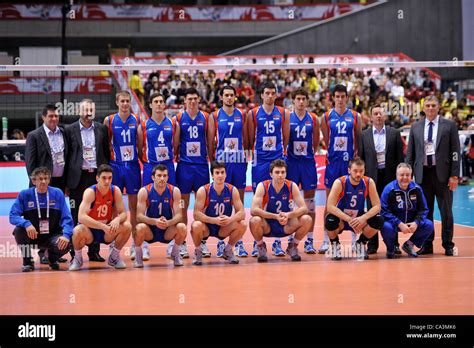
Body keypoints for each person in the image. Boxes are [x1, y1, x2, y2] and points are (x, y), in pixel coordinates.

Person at [406, 95, 461, 256]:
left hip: (443, 175)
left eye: (433, 105)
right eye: (428, 105)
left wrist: (454, 175)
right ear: (423, 108)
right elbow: (410, 153)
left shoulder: (449, 125)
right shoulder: (416, 126)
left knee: (446, 212)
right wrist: (408, 174)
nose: (430, 108)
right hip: (423, 175)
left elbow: (455, 152)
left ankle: (448, 244)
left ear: (438, 108)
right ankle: (427, 244)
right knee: (425, 212)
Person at [247, 82, 290, 257]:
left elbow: (285, 136)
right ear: (262, 95)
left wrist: (280, 154)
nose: (270, 96)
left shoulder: (283, 112)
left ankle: (278, 242)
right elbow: (250, 138)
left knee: (279, 198)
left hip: (277, 158)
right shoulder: (254, 113)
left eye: (273, 93)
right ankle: (259, 243)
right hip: (260, 160)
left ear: (276, 94)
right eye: (267, 93)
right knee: (260, 200)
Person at [318, 84, 362, 254]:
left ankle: (354, 238)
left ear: (347, 97)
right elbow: (327, 139)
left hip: (349, 164)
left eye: (343, 96)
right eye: (337, 96)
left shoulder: (356, 116)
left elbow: (358, 139)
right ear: (333, 98)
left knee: (354, 201)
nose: (340, 99)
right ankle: (325, 239)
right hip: (333, 164)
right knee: (330, 202)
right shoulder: (326, 116)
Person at [65, 98, 110, 262]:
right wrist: (66, 183)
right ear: (79, 111)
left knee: (96, 214)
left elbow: (106, 153)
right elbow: (67, 156)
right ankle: (74, 252)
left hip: (95, 177)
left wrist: (104, 177)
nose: (88, 112)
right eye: (85, 109)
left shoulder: (102, 129)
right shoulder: (69, 130)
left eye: (91, 109)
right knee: (75, 214)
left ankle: (94, 251)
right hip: (78, 178)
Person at [207, 85, 249, 258]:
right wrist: (213, 160)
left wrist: (246, 158)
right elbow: (210, 141)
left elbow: (247, 139)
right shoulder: (215, 116)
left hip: (239, 160)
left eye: (232, 95)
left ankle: (238, 242)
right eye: (226, 95)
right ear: (221, 97)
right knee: (221, 201)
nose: (229, 98)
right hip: (222, 162)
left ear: (235, 97)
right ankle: (220, 242)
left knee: (237, 200)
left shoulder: (242, 115)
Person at [25, 104, 69, 265]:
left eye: (56, 116)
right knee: (40, 218)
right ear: (43, 117)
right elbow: (30, 164)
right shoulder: (34, 135)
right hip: (42, 184)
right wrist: (37, 184)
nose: (54, 119)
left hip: (58, 181)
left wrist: (66, 183)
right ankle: (40, 253)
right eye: (50, 116)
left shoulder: (63, 132)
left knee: (55, 219)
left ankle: (53, 251)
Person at [104, 91, 145, 260]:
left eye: (128, 101)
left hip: (133, 166)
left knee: (134, 207)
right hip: (116, 166)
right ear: (117, 102)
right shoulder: (110, 120)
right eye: (122, 101)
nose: (125, 104)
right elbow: (106, 142)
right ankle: (115, 242)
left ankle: (136, 245)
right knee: (115, 208)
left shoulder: (136, 120)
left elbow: (141, 143)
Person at [358, 104, 404, 254]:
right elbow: (361, 159)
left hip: (390, 176)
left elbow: (400, 158)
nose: (378, 116)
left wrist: (400, 178)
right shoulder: (363, 135)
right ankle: (372, 244)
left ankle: (394, 244)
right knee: (372, 210)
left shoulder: (394, 133)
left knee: (393, 210)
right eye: (375, 113)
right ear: (371, 117)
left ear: (384, 116)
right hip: (371, 178)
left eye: (380, 113)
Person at [69, 164, 132, 271]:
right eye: (104, 178)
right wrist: (102, 226)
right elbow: (81, 217)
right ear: (97, 178)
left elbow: (123, 214)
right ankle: (78, 259)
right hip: (90, 230)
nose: (107, 181)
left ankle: (114, 257)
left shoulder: (115, 190)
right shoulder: (90, 192)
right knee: (77, 230)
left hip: (107, 231)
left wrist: (117, 219)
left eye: (109, 178)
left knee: (127, 226)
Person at [9, 167, 73, 271]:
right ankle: (28, 261)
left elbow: (67, 218)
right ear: (33, 181)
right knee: (18, 231)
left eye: (46, 178)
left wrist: (66, 235)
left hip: (53, 236)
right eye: (40, 179)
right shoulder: (25, 195)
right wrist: (26, 224)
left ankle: (51, 258)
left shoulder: (57, 193)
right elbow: (13, 216)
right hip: (33, 235)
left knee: (67, 241)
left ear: (49, 179)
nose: (43, 181)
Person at [249, 159, 312, 262]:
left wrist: (288, 215)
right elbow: (253, 210)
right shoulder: (263, 186)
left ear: (286, 173)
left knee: (307, 219)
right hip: (267, 225)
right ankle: (260, 246)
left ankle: (293, 246)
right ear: (271, 174)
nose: (280, 175)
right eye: (277, 172)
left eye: (283, 172)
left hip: (286, 224)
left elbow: (304, 208)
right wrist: (275, 216)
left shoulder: (291, 186)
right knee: (254, 220)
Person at [173, 87, 211, 258]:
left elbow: (210, 142)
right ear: (185, 101)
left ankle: (201, 242)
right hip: (185, 168)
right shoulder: (179, 118)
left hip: (202, 167)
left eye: (195, 98)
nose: (193, 101)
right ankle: (181, 243)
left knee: (202, 207)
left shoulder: (206, 117)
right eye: (190, 99)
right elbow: (175, 143)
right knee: (183, 206)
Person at [324, 158, 384, 260]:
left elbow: (377, 206)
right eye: (355, 171)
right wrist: (348, 219)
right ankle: (335, 246)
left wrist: (363, 218)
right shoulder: (340, 182)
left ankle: (360, 244)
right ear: (349, 170)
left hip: (359, 219)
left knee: (379, 220)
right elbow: (330, 206)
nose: (358, 174)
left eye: (361, 171)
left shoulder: (369, 182)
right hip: (342, 219)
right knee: (329, 220)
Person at [191, 161, 247, 265]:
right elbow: (196, 214)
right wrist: (213, 220)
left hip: (223, 227)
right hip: (207, 227)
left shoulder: (232, 190)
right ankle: (198, 251)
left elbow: (242, 213)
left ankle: (228, 250)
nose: (220, 175)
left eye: (222, 172)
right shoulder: (203, 190)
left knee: (242, 224)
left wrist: (230, 219)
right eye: (217, 173)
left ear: (226, 174)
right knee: (196, 225)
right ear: (212, 175)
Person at [285, 88, 320, 254]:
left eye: (303, 99)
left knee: (310, 204)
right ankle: (290, 239)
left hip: (307, 163)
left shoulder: (313, 119)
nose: (300, 102)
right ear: (293, 101)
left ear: (307, 101)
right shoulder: (287, 117)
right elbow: (285, 139)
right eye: (297, 99)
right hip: (291, 163)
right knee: (291, 203)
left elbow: (316, 143)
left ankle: (310, 239)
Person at [134, 164, 186, 267]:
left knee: (182, 227)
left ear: (168, 177)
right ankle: (138, 256)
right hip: (150, 231)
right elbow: (139, 216)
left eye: (164, 175)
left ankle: (175, 254)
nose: (162, 178)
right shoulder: (144, 191)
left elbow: (180, 215)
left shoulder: (175, 191)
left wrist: (168, 223)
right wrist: (155, 221)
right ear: (153, 177)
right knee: (139, 227)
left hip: (167, 231)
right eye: (159, 175)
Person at [380, 163, 434, 258]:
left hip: (411, 221)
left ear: (411, 176)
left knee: (429, 225)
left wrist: (416, 222)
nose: (405, 178)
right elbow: (384, 210)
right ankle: (391, 248)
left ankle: (409, 245)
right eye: (401, 175)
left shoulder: (417, 189)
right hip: (395, 222)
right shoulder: (389, 189)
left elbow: (424, 209)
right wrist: (399, 223)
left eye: (407, 175)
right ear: (397, 176)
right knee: (385, 226)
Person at [140, 93, 176, 186]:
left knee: (171, 195)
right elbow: (140, 148)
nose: (159, 104)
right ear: (151, 105)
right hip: (150, 165)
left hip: (167, 165)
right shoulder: (143, 126)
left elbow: (176, 146)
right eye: (156, 102)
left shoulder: (173, 124)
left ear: (164, 105)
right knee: (148, 196)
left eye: (161, 102)